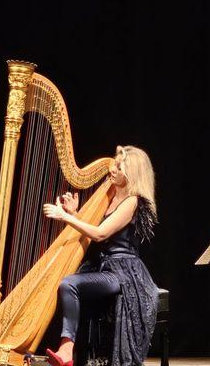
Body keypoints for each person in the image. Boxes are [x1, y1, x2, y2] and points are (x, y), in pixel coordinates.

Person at [43, 145, 159, 366]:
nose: (112, 169)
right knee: (69, 284)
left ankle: (67, 350)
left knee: (69, 284)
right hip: (105, 267)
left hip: (124, 273)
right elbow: (98, 233)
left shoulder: (132, 201)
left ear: (132, 172)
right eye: (114, 164)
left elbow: (100, 233)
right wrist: (75, 213)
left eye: (118, 166)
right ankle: (69, 351)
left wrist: (64, 218)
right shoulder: (111, 195)